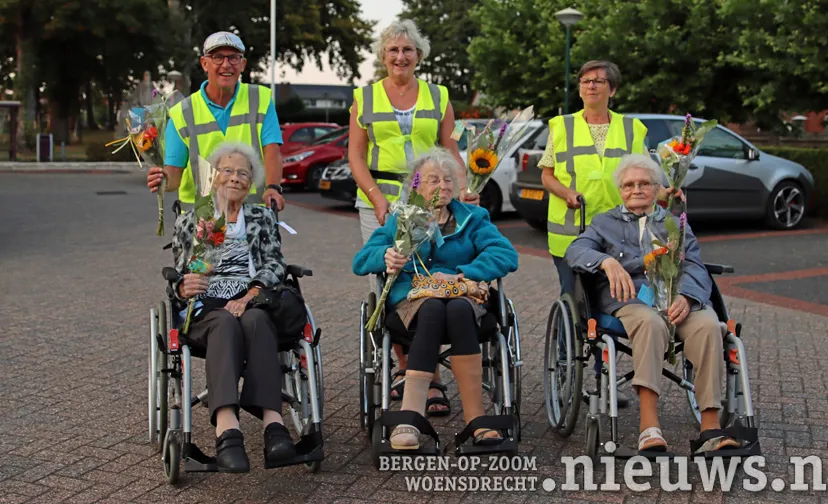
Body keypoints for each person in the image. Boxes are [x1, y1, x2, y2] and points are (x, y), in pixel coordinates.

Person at [565, 154, 741, 453]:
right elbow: (576, 250)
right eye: (629, 184)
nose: (636, 189)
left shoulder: (674, 225)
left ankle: (710, 426)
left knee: (710, 325)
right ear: (620, 190)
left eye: (644, 183)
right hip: (630, 299)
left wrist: (686, 296)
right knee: (650, 322)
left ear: (657, 188)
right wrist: (606, 261)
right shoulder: (604, 222)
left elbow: (695, 266)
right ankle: (649, 426)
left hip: (677, 299)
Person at [349, 19, 479, 413]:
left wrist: (463, 185)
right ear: (383, 56)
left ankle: (433, 376)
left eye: (407, 50)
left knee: (431, 271)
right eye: (393, 50)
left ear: (419, 55)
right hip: (381, 197)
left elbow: (450, 148)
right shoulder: (365, 97)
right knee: (395, 274)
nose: (400, 56)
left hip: (430, 195)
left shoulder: (438, 95)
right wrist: (375, 197)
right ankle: (406, 368)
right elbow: (355, 154)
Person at [353, 148, 519, 449]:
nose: (442, 187)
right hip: (413, 301)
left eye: (447, 181)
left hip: (462, 295)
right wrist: (386, 256)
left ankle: (476, 418)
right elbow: (361, 260)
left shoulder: (473, 218)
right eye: (433, 180)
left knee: (456, 309)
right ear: (416, 186)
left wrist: (462, 273)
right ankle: (410, 416)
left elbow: (505, 254)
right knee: (431, 308)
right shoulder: (401, 218)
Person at [170, 142, 294, 473]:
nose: (235, 178)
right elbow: (181, 271)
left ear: (251, 182)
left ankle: (274, 426)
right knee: (223, 323)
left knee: (256, 320)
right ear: (213, 178)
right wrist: (184, 284)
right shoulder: (193, 219)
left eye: (243, 173)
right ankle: (228, 432)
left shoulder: (262, 217)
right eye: (227, 171)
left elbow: (275, 264)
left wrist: (250, 293)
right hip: (206, 306)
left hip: (251, 298)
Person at [147, 31, 286, 211]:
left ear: (242, 64)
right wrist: (162, 181)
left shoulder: (260, 99)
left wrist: (273, 188)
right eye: (218, 57)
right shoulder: (181, 113)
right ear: (205, 63)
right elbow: (173, 175)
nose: (226, 65)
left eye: (233, 58)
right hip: (200, 222)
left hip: (251, 219)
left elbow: (272, 152)